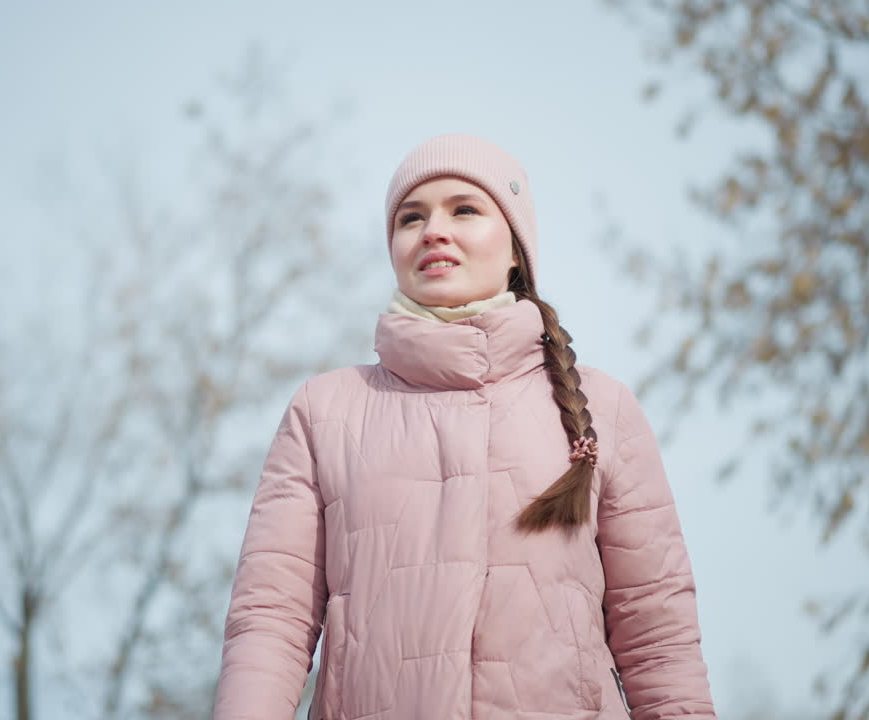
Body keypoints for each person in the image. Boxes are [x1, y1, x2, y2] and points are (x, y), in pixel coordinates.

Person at [212, 134, 716, 720]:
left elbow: (659, 640)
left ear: (514, 251)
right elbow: (270, 622)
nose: (433, 230)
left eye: (465, 209)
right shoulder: (324, 412)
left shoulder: (604, 410)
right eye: (411, 217)